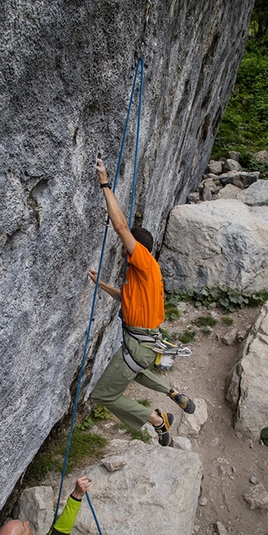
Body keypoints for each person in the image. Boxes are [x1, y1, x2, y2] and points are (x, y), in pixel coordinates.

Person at [89, 157, 195, 446]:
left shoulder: (145, 262)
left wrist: (104, 184)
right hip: (145, 344)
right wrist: (101, 284)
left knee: (103, 394)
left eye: (127, 250)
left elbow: (121, 227)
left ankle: (157, 419)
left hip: (139, 347)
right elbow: (124, 298)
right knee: (132, 373)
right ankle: (173, 394)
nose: (124, 254)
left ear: (138, 250)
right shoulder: (145, 277)